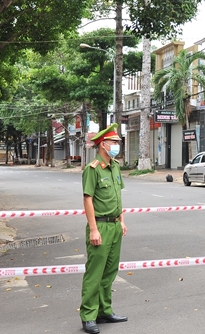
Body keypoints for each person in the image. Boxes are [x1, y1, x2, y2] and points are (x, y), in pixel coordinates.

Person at [80, 123, 128, 334]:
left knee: (109, 272)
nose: (118, 145)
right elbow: (88, 199)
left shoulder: (115, 166)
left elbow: (118, 196)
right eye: (114, 142)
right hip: (100, 226)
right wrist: (93, 229)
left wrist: (122, 220)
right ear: (102, 144)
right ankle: (88, 316)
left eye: (118, 141)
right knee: (95, 273)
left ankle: (104, 311)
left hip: (115, 225)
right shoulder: (92, 169)